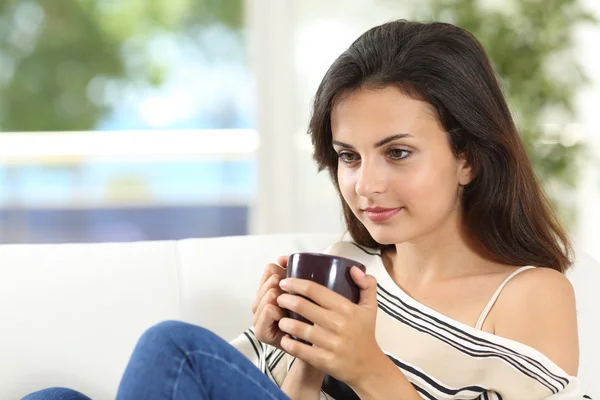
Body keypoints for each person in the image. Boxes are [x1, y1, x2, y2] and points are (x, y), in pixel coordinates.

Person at [24, 19, 589, 400]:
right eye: (348, 157)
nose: (366, 185)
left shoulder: (529, 294)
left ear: (467, 157)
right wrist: (303, 357)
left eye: (397, 153)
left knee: (172, 348)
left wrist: (366, 365)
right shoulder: (343, 266)